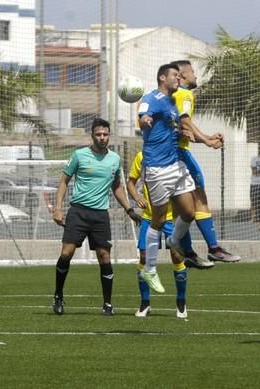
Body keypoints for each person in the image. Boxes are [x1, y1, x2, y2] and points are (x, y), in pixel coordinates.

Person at [51, 118, 141, 316]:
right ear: (92, 135)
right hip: (78, 211)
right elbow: (64, 181)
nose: (102, 138)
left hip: (100, 215)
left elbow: (117, 186)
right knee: (67, 253)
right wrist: (58, 208)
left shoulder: (114, 159)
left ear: (109, 136)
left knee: (104, 257)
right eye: (98, 134)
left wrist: (129, 210)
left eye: (105, 134)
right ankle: (58, 295)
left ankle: (107, 304)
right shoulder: (79, 155)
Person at [170, 60, 240, 266]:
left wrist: (202, 136)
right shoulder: (185, 94)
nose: (196, 75)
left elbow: (180, 126)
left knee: (181, 208)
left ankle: (188, 252)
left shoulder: (168, 96)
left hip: (164, 156)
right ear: (182, 75)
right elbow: (184, 120)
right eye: (192, 72)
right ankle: (213, 248)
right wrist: (208, 140)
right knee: (199, 197)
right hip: (179, 154)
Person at [137, 63, 198, 294]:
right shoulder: (151, 98)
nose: (179, 77)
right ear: (162, 77)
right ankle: (150, 268)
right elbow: (144, 115)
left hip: (175, 164)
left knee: (189, 213)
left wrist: (183, 133)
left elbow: (171, 128)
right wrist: (145, 120)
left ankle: (174, 241)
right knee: (159, 220)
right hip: (157, 168)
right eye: (175, 75)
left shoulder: (172, 103)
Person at [127, 151, 189, 318]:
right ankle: (145, 303)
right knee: (144, 257)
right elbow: (131, 182)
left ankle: (181, 302)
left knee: (177, 257)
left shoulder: (175, 155)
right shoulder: (141, 156)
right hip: (149, 217)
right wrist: (137, 196)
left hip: (171, 218)